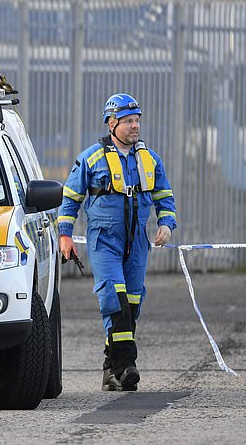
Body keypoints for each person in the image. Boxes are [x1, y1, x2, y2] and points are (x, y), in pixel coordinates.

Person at [58, 93, 177, 392]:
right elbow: (70, 200)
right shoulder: (91, 158)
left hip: (138, 241)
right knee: (115, 298)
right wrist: (65, 235)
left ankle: (110, 370)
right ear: (112, 123)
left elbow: (164, 196)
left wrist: (166, 223)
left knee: (133, 302)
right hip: (104, 240)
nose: (135, 126)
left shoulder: (149, 159)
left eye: (137, 120)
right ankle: (127, 366)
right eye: (128, 121)